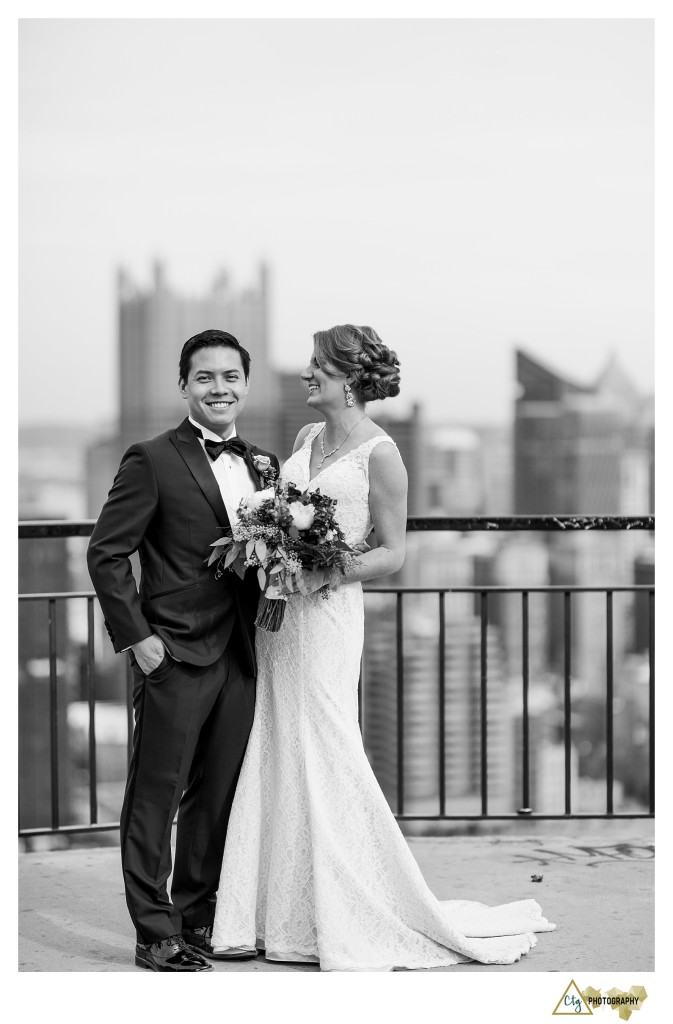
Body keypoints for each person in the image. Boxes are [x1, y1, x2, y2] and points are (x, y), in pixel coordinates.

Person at [210, 324, 555, 971]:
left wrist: (323, 572)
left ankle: (354, 902)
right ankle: (273, 913)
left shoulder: (382, 455)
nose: (307, 374)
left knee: (327, 744)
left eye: (317, 366)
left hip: (330, 617)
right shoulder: (306, 438)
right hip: (279, 616)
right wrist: (271, 549)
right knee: (279, 741)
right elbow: (284, 512)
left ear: (347, 380)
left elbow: (394, 552)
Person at [87, 328, 279, 972]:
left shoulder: (263, 465)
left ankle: (197, 919)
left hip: (242, 657)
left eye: (230, 377)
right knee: (155, 797)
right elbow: (107, 554)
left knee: (215, 796)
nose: (219, 388)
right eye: (205, 377)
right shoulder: (152, 457)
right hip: (170, 654)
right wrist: (140, 644)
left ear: (245, 385)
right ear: (185, 385)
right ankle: (153, 932)